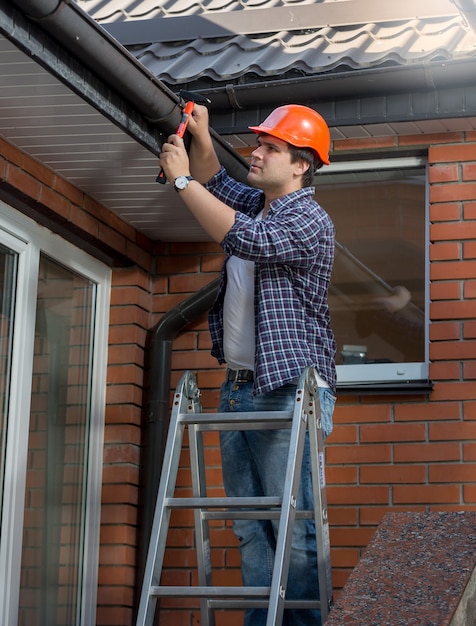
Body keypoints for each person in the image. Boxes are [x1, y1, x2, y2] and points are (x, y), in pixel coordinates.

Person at [158, 103, 337, 626]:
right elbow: (218, 185)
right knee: (248, 524)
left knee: (294, 525)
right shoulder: (258, 204)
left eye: (270, 148)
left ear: (301, 164)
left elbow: (245, 239)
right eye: (259, 144)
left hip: (287, 390)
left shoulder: (307, 217)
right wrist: (202, 138)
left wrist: (181, 181)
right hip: (238, 388)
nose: (255, 153)